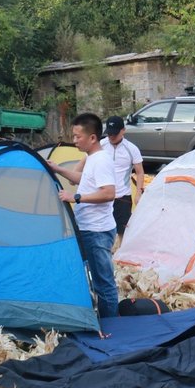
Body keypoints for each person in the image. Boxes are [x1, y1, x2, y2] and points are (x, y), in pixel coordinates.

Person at [47, 113, 120, 318]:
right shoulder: (93, 158)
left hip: (97, 231)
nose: (74, 140)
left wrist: (76, 197)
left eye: (78, 136)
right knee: (96, 279)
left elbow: (108, 193)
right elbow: (84, 179)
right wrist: (57, 169)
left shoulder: (101, 160)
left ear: (92, 138)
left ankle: (112, 326)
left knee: (104, 283)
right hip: (89, 228)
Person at [90, 116, 144, 241]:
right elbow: (88, 163)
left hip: (122, 196)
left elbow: (140, 172)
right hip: (102, 195)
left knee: (123, 230)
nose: (111, 136)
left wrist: (138, 193)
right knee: (101, 229)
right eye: (109, 133)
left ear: (123, 130)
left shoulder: (131, 148)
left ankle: (121, 249)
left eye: (114, 133)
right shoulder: (100, 145)